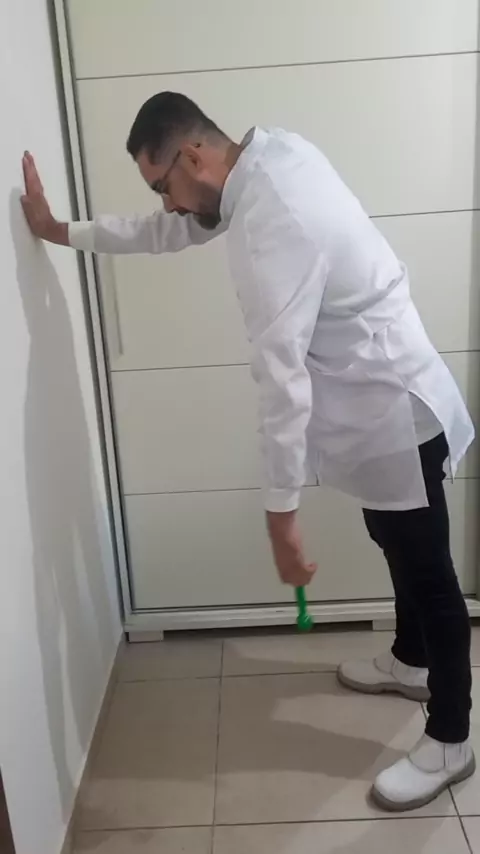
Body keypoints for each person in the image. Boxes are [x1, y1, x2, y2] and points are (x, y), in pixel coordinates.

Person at [21, 91, 475, 811]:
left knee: (430, 571)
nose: (167, 204)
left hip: (396, 405)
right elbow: (167, 231)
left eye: (162, 184)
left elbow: (282, 381)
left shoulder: (274, 221)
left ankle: (452, 738)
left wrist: (280, 517)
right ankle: (411, 660)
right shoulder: (265, 157)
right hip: (372, 400)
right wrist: (59, 231)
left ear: (192, 156)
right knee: (390, 535)